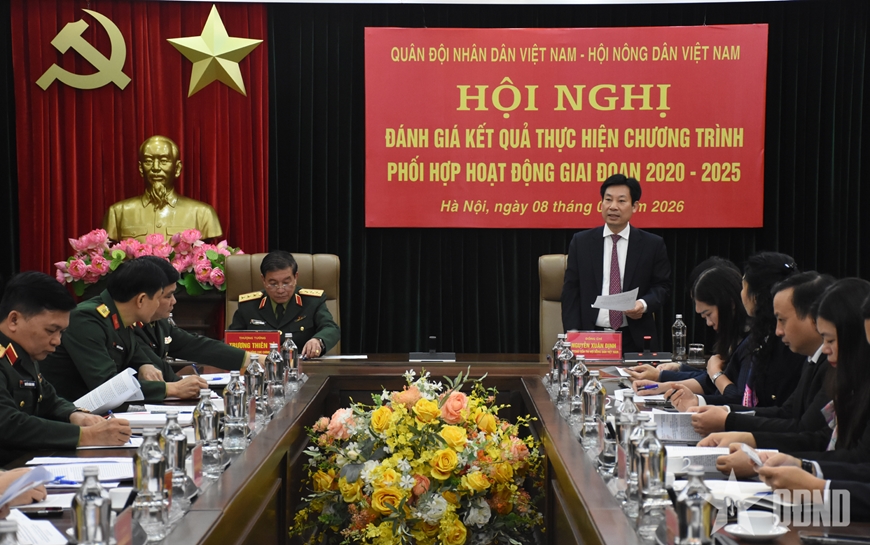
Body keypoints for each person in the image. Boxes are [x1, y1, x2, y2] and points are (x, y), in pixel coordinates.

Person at [702, 279, 870, 476]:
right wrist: (765, 453)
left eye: (830, 340)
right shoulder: (825, 366)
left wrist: (795, 466)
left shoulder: (831, 368)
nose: (777, 331)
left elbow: (857, 458)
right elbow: (819, 433)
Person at [0, 272, 131, 465]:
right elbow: (7, 423)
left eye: (61, 332)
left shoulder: (25, 353)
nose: (57, 341)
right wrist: (85, 435)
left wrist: (75, 415)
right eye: (51, 331)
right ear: (14, 320)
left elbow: (49, 399)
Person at [42, 259, 206, 404]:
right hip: (67, 415)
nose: (159, 305)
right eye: (158, 298)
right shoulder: (86, 320)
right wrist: (171, 389)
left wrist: (145, 365)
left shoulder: (121, 318)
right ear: (141, 300)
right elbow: (107, 387)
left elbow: (138, 355)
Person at [690, 272, 834, 436]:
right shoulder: (813, 360)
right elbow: (786, 412)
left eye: (782, 320)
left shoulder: (832, 364)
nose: (778, 331)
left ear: (813, 318)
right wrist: (726, 412)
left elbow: (804, 430)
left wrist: (731, 423)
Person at [663, 252, 805, 411]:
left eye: (743, 286)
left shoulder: (764, 340)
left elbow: (741, 398)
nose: (740, 293)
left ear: (756, 297)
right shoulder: (758, 335)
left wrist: (715, 375)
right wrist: (667, 383)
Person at [560, 174, 671, 353]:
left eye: (621, 201)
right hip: (591, 338)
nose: (613, 206)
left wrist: (642, 304)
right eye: (608, 199)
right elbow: (571, 291)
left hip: (634, 338)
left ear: (635, 206)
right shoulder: (581, 242)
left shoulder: (652, 245)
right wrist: (572, 335)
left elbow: (662, 287)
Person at [630, 265, 749, 404]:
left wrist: (715, 375)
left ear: (729, 303)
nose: (708, 323)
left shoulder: (749, 343)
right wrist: (660, 385)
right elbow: (709, 382)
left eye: (708, 314)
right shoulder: (734, 338)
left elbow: (740, 399)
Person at [133, 256, 250, 379]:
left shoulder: (158, 322)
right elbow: (160, 370)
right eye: (168, 296)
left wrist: (251, 359)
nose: (174, 301)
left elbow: (196, 345)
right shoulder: (130, 327)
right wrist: (180, 383)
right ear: (143, 298)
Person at [102, 135, 223, 242]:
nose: (156, 168)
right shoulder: (117, 213)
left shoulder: (202, 214)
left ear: (177, 168)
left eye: (164, 161)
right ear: (141, 168)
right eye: (148, 161)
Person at [229, 251, 340, 358]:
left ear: (295, 277)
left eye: (286, 283)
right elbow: (231, 340)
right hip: (260, 366)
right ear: (263, 280)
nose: (280, 290)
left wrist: (318, 340)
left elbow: (331, 328)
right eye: (273, 284)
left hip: (303, 365)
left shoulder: (312, 302)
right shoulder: (249, 306)